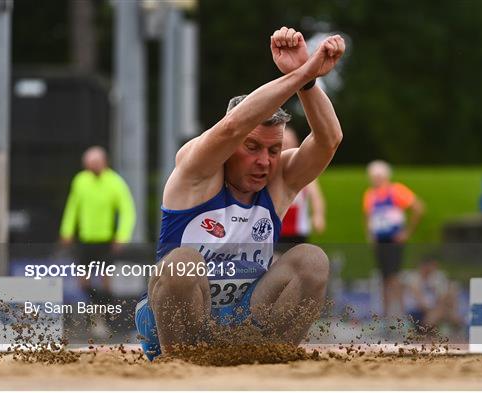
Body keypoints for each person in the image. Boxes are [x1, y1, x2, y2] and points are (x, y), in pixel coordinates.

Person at [135, 26, 345, 360]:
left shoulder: (279, 179)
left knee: (312, 260)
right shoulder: (196, 170)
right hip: (174, 318)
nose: (264, 161)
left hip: (245, 319)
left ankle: (270, 360)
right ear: (231, 147)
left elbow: (328, 140)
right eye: (252, 147)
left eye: (274, 150)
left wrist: (307, 82)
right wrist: (303, 70)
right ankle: (179, 365)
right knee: (182, 263)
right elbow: (232, 127)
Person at [60, 146, 136, 306]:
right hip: (85, 239)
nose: (92, 167)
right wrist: (66, 231)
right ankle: (97, 312)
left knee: (105, 281)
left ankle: (107, 318)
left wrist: (122, 236)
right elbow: (72, 207)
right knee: (82, 282)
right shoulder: (80, 181)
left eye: (95, 163)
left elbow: (127, 211)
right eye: (89, 164)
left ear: (104, 162)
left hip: (106, 241)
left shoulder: (115, 182)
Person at [363, 160, 424, 317]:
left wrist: (407, 232)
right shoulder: (370, 195)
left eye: (377, 176)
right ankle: (386, 317)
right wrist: (370, 235)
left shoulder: (396, 191)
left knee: (393, 278)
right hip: (380, 241)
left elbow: (418, 208)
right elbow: (368, 217)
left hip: (394, 240)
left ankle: (400, 315)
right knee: (384, 279)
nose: (374, 179)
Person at [278, 126, 326, 251]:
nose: (285, 147)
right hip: (275, 228)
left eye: (288, 143)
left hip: (298, 230)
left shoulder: (305, 171)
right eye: (282, 144)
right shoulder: (272, 169)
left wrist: (318, 215)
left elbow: (316, 197)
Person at [403, 256, 464, 332]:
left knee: (448, 301)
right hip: (416, 312)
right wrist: (434, 309)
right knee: (442, 311)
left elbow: (442, 297)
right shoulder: (413, 277)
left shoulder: (433, 279)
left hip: (430, 311)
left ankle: (453, 320)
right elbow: (420, 301)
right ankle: (455, 321)